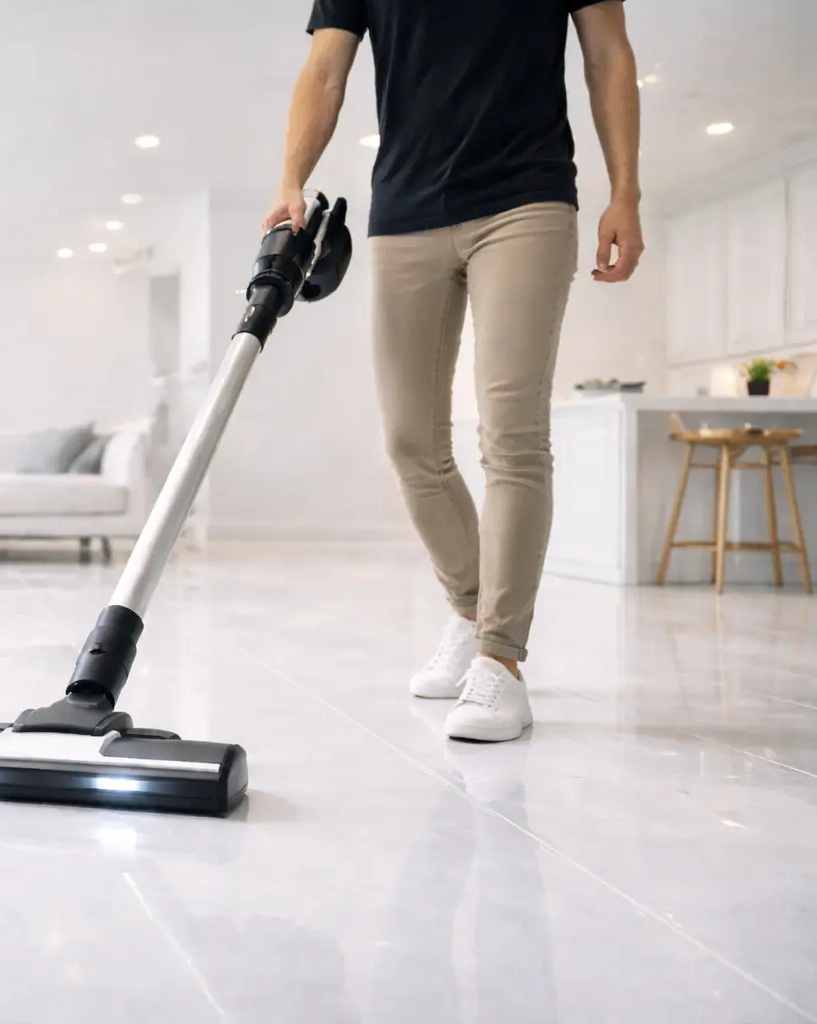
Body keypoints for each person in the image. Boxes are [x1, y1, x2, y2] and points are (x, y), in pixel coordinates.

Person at [264, 1, 643, 742]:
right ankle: (471, 614)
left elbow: (608, 55)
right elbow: (325, 69)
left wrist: (624, 191)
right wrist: (290, 178)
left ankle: (501, 661)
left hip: (525, 197)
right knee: (411, 442)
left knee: (512, 433)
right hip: (404, 208)